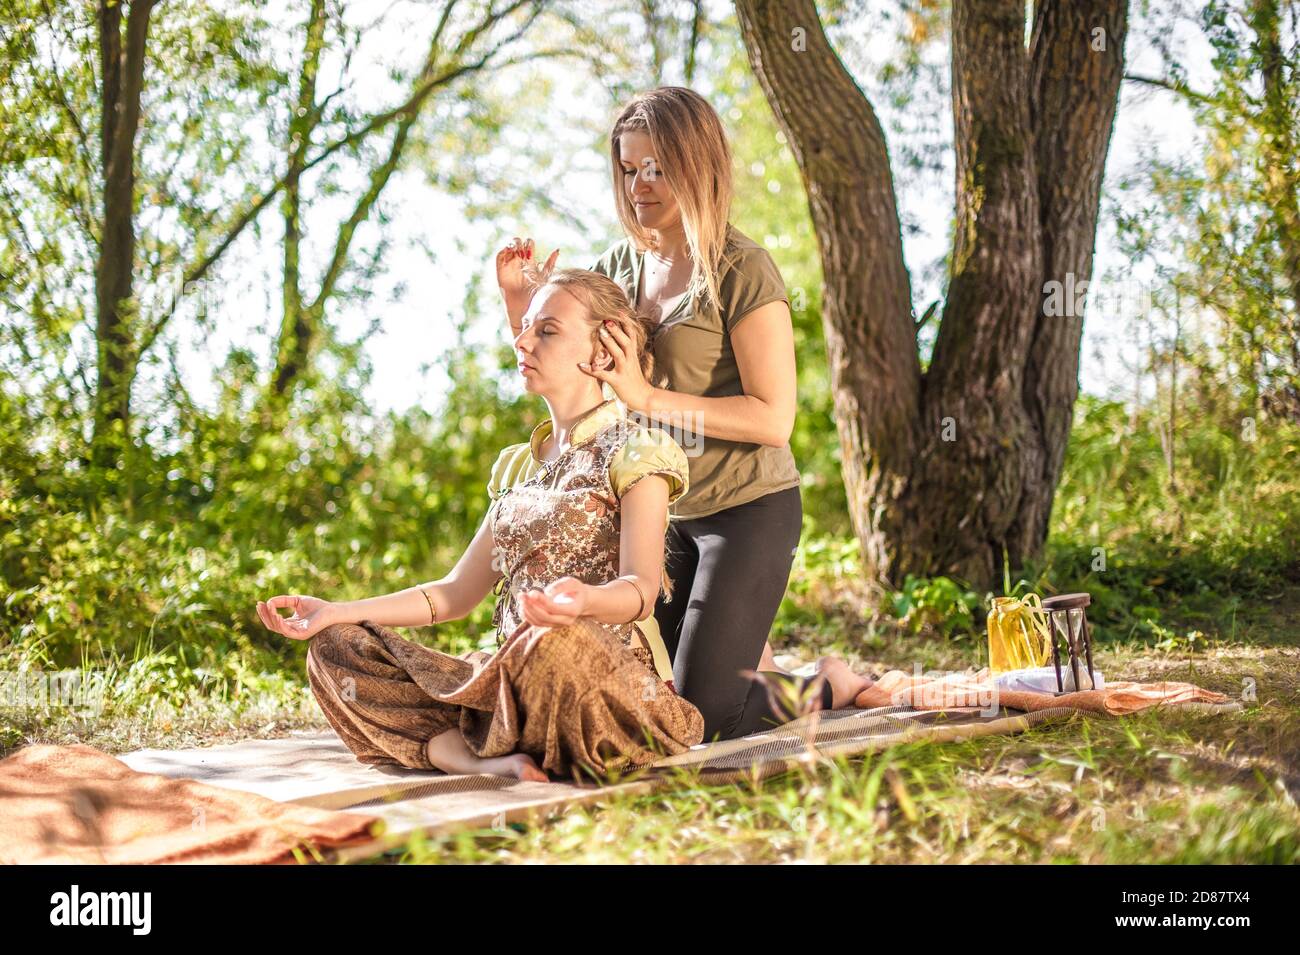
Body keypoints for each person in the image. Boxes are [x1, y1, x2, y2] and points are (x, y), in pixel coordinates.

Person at [255, 267, 866, 784]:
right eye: (525, 329)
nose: (524, 343)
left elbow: (641, 589)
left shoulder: (638, 450)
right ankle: (480, 758)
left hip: (600, 683)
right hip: (516, 679)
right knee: (335, 649)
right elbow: (453, 595)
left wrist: (583, 603)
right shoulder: (519, 465)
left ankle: (493, 746)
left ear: (602, 351)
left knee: (554, 645)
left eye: (547, 331)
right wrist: (340, 610)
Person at [495, 86, 873, 743]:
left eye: (658, 167)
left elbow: (772, 418)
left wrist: (645, 398)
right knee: (659, 695)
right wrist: (513, 300)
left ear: (696, 164)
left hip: (748, 508)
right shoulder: (617, 268)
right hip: (660, 513)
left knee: (708, 717)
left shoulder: (742, 269)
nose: (640, 184)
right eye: (629, 168)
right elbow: (562, 362)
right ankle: (753, 664)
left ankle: (825, 683)